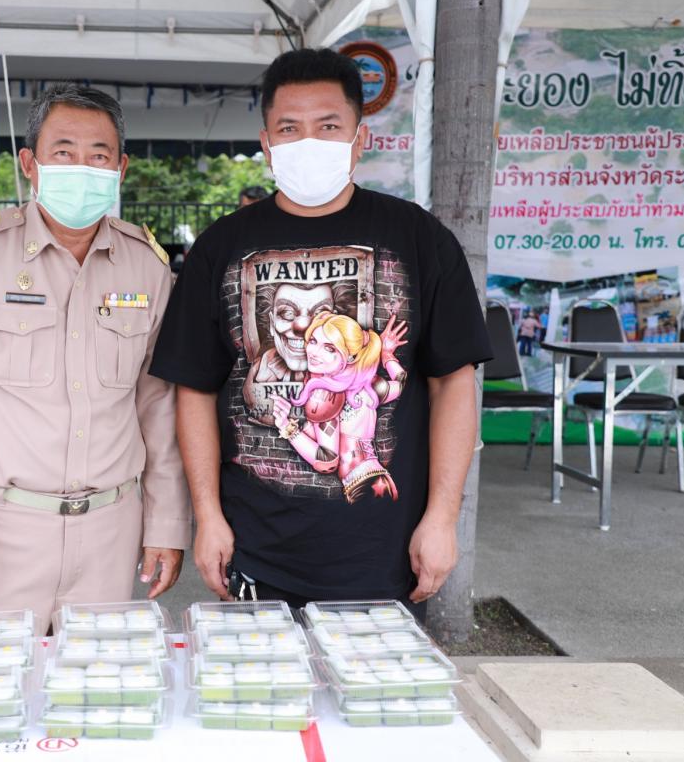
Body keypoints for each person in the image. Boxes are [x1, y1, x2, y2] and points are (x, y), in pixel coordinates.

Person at [149, 48, 491, 622]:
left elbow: (453, 383)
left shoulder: (419, 239)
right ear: (266, 144)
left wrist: (442, 518)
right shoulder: (219, 248)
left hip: (385, 551)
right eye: (290, 128)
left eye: (328, 126)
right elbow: (195, 389)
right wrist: (206, 516)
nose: (308, 141)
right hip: (256, 551)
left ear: (360, 139)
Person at [0, 83, 190, 632]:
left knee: (94, 680)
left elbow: (158, 406)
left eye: (98, 156)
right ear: (30, 164)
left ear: (121, 169)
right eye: (63, 152)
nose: (81, 168)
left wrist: (166, 523)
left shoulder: (148, 265)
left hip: (110, 529)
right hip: (2, 526)